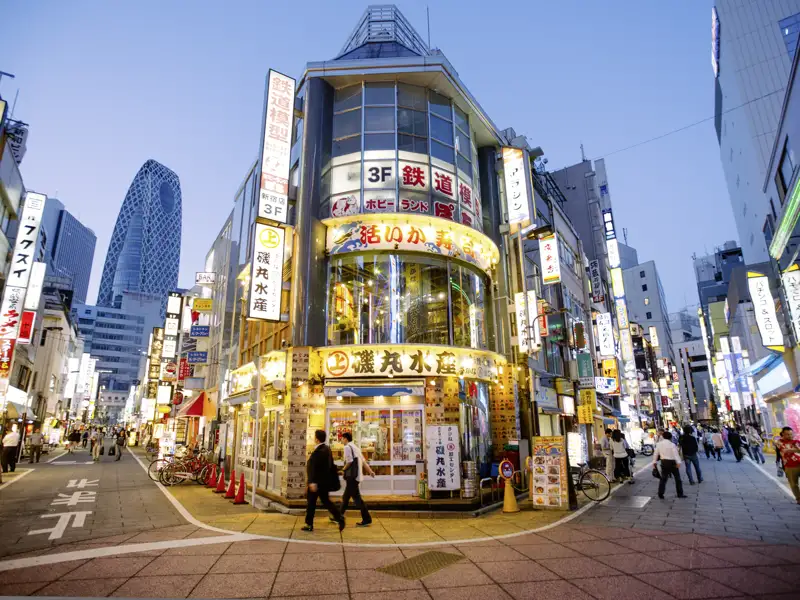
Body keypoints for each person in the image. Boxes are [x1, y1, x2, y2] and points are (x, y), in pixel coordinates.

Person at [302, 430, 344, 532]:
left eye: (314, 437)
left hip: (317, 483)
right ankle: (339, 518)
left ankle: (309, 524)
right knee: (326, 502)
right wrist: (337, 471)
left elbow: (313, 467)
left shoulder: (320, 451)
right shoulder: (326, 449)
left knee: (311, 503)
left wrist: (312, 482)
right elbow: (330, 465)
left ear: (317, 439)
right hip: (322, 482)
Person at [338, 432, 374, 527]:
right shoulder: (355, 447)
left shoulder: (347, 447)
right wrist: (370, 471)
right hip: (356, 477)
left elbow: (349, 461)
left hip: (352, 477)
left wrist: (343, 470)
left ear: (345, 439)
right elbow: (364, 462)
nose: (341, 440)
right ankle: (338, 516)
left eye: (342, 438)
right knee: (346, 497)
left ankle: (366, 519)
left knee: (357, 499)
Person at [653, 431, 687, 499]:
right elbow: (675, 454)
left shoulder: (659, 444)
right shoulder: (672, 445)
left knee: (663, 479)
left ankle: (660, 493)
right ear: (670, 437)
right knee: (677, 479)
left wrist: (654, 462)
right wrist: (679, 462)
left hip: (664, 462)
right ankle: (680, 494)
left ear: (663, 437)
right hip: (672, 462)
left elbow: (656, 454)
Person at [775, 427, 800, 505]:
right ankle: (798, 498)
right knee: (793, 483)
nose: (790, 436)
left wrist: (791, 450)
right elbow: (779, 453)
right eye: (788, 434)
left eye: (791, 434)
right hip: (789, 466)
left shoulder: (796, 441)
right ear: (783, 434)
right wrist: (778, 463)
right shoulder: (779, 443)